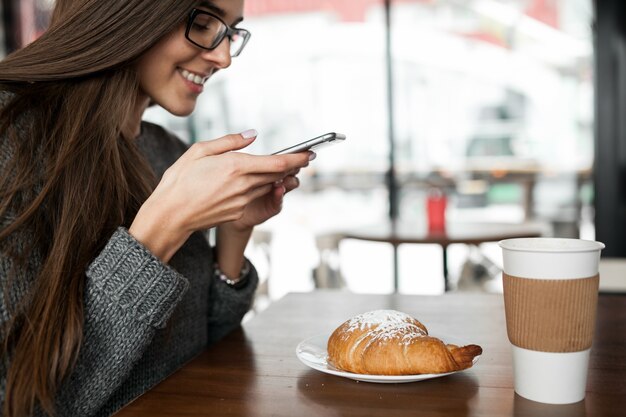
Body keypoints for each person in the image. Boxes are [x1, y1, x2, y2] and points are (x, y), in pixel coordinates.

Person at [0, 0, 314, 416]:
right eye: (203, 24)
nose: (223, 57)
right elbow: (27, 405)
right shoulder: (12, 139)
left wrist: (233, 234)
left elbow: (196, 351)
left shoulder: (165, 151)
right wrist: (161, 229)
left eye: (230, 33)